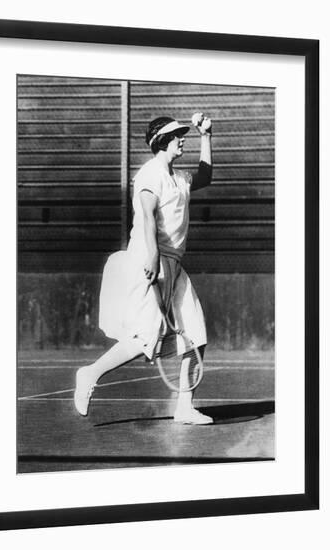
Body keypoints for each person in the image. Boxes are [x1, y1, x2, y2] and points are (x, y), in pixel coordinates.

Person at [74, 113, 213, 423]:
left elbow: (205, 177)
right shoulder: (149, 175)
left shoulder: (180, 179)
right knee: (146, 336)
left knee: (195, 332)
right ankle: (89, 374)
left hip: (174, 264)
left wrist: (207, 136)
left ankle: (184, 408)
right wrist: (152, 257)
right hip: (147, 259)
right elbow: (148, 217)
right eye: (178, 134)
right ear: (162, 141)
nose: (183, 138)